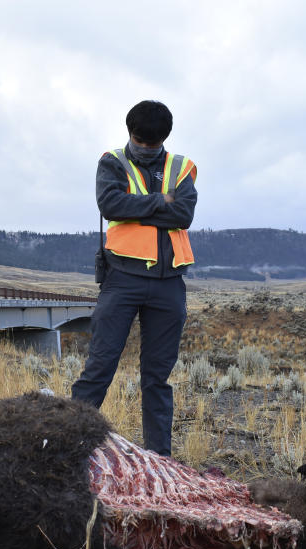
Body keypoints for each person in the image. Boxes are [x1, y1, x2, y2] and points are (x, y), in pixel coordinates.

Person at [71, 100, 197, 456]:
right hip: (121, 279)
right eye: (140, 141)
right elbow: (111, 206)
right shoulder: (111, 162)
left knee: (157, 380)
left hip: (169, 283)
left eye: (151, 145)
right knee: (98, 369)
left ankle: (159, 461)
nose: (144, 149)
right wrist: (161, 202)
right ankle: (69, 450)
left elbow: (183, 214)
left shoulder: (182, 167)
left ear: (163, 140)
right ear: (130, 133)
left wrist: (139, 208)